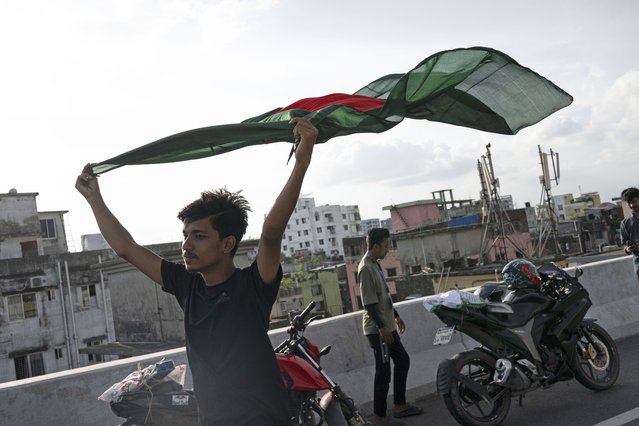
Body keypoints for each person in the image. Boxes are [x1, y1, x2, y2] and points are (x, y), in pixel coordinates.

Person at [75, 118, 318, 425]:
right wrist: (94, 198)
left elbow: (271, 233)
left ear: (228, 243)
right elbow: (126, 248)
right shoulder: (187, 285)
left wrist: (301, 163)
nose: (187, 245)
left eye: (199, 236)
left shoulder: (253, 285)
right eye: (185, 235)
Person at [358, 228, 423, 426]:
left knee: (402, 360)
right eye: (385, 246)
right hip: (378, 330)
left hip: (387, 324)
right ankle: (380, 418)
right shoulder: (365, 268)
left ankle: (400, 405)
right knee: (383, 372)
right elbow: (368, 303)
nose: (387, 250)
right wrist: (382, 328)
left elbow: (384, 295)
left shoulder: (376, 265)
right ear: (376, 246)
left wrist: (396, 316)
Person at [620, 187, 639, 280]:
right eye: (629, 203)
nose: (632, 205)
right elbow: (625, 245)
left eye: (634, 201)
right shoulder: (625, 223)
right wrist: (628, 249)